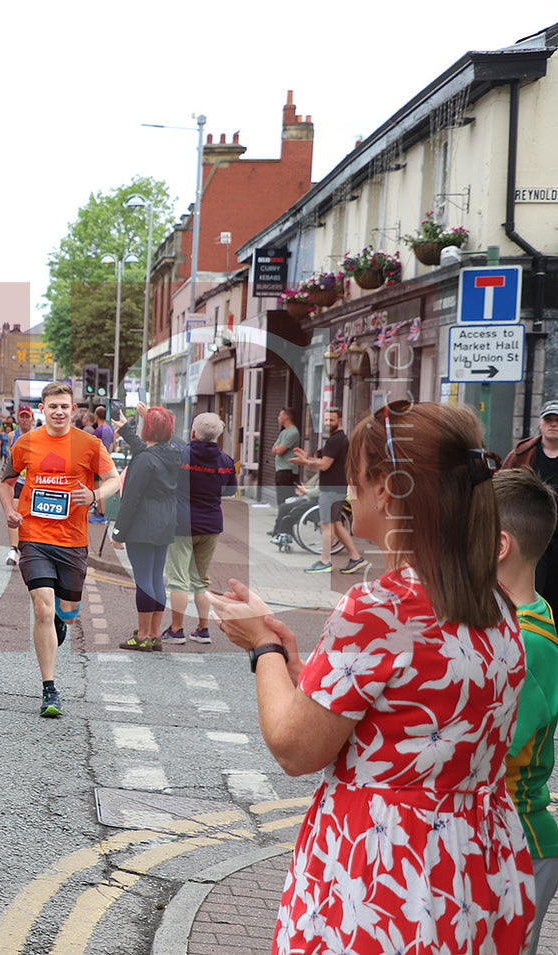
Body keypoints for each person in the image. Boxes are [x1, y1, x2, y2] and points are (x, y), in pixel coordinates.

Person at [211, 400, 532, 954]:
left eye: (357, 479)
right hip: (472, 866)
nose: (350, 491)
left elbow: (295, 748)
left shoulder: (381, 607)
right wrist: (296, 664)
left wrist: (261, 646)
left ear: (388, 490)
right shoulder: (496, 602)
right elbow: (399, 711)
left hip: (384, 870)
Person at [0, 381, 117, 717]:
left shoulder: (89, 444)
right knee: (42, 608)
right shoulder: (27, 442)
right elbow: (6, 481)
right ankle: (49, 689)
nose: (59, 412)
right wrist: (9, 510)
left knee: (67, 612)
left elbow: (114, 479)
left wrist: (94, 496)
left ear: (74, 409)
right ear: (43, 409)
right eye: (53, 407)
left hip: (74, 540)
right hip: (35, 536)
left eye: (65, 406)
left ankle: (60, 622)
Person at [495, 466, 558, 955]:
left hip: (519, 840)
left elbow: (484, 747)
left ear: (498, 546)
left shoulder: (528, 642)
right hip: (499, 834)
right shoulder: (513, 622)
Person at [160, 412, 238, 648]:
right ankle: (203, 629)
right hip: (211, 525)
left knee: (178, 580)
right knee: (201, 580)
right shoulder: (226, 461)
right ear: (218, 436)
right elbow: (229, 491)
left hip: (181, 524)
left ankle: (176, 630)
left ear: (193, 432)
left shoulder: (180, 457)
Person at [111, 406, 181, 652]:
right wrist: (126, 429)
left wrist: (119, 532)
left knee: (143, 581)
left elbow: (130, 499)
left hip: (142, 524)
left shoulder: (144, 460)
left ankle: (141, 635)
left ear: (147, 429)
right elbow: (147, 450)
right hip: (164, 522)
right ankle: (153, 634)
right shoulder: (173, 453)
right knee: (155, 579)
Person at [292, 407, 365, 575]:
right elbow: (324, 461)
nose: (327, 423)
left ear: (339, 421)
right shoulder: (337, 439)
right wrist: (308, 458)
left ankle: (325, 561)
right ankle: (355, 558)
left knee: (327, 525)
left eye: (331, 420)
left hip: (331, 489)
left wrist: (304, 462)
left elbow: (324, 465)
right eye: (325, 420)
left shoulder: (336, 440)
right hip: (337, 488)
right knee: (336, 524)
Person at [502, 399, 558, 610]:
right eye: (549, 420)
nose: (553, 424)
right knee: (530, 592)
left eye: (557, 420)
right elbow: (503, 488)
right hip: (531, 534)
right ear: (541, 424)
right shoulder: (521, 455)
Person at [3, 406, 36, 567]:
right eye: (22, 416)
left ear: (32, 418)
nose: (24, 419)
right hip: (17, 481)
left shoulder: (38, 434)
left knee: (31, 516)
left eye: (27, 416)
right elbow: (10, 457)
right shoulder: (11, 436)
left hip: (34, 482)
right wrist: (5, 472)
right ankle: (14, 549)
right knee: (14, 514)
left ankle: (30, 548)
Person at [271, 407, 301, 507]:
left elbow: (279, 450)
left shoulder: (293, 432)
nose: (278, 418)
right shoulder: (284, 432)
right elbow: (273, 449)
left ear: (286, 417)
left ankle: (285, 519)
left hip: (288, 471)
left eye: (280, 415)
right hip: (280, 470)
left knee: (286, 499)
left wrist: (277, 448)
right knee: (280, 498)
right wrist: (276, 448)